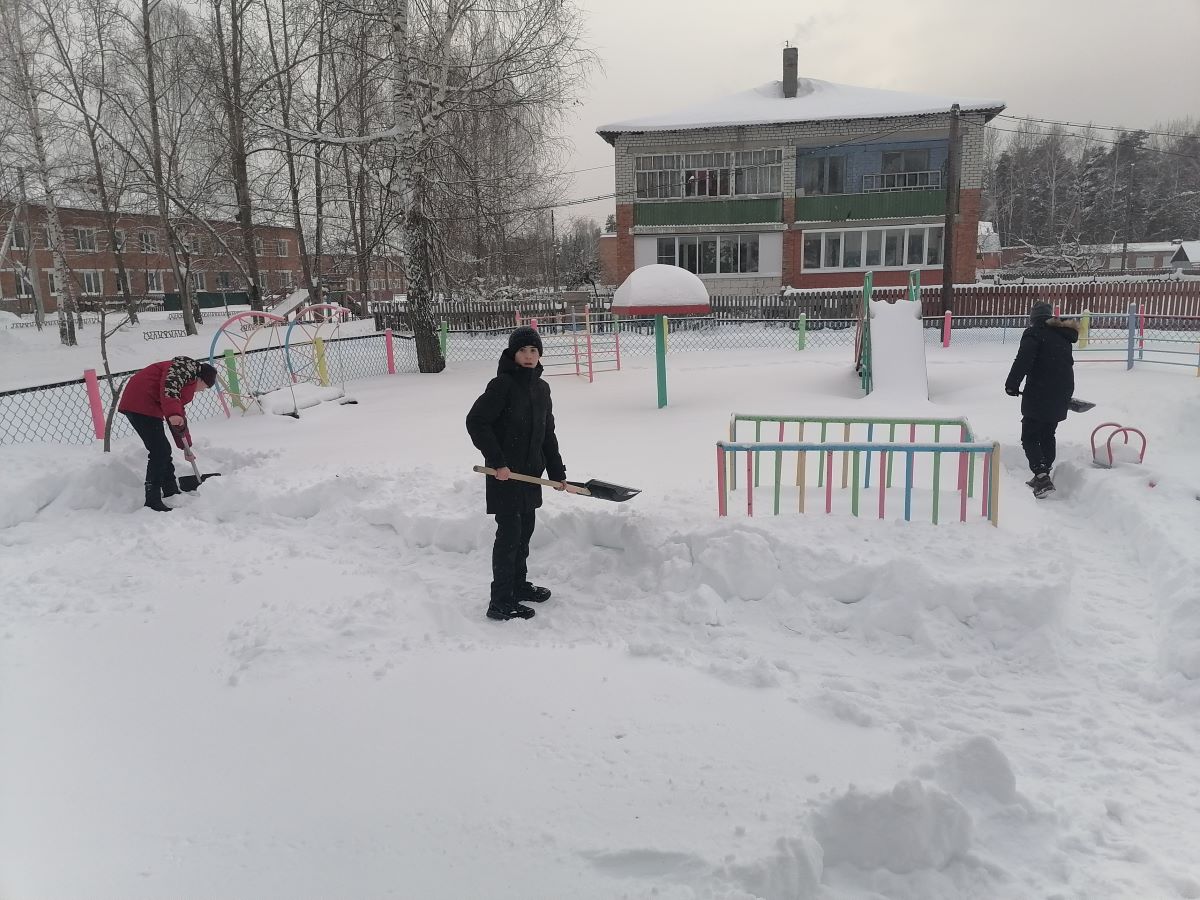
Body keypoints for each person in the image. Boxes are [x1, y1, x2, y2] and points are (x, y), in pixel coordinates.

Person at [466, 325, 567, 621]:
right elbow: (476, 422)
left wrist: (557, 471)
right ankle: (500, 601)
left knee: (524, 534)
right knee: (509, 536)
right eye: (523, 350)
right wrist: (497, 461)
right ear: (513, 353)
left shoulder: (541, 388)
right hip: (506, 476)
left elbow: (547, 434)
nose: (528, 355)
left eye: (534, 350)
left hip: (530, 477)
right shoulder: (502, 386)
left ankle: (518, 586)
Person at [118, 356, 217, 512]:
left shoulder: (187, 379)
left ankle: (170, 488)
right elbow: (169, 390)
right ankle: (153, 498)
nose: (202, 391)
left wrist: (185, 445)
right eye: (205, 387)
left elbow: (178, 415)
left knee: (163, 449)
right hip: (140, 402)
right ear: (201, 380)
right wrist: (173, 413)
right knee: (159, 451)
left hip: (148, 404)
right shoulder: (182, 369)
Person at [1004, 302, 1079, 498]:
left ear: (1033, 318)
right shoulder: (1063, 335)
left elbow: (1023, 360)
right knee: (1047, 433)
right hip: (1061, 391)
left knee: (1029, 435)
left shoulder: (1034, 333)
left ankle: (1042, 475)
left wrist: (1012, 384)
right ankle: (1043, 472)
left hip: (1040, 390)